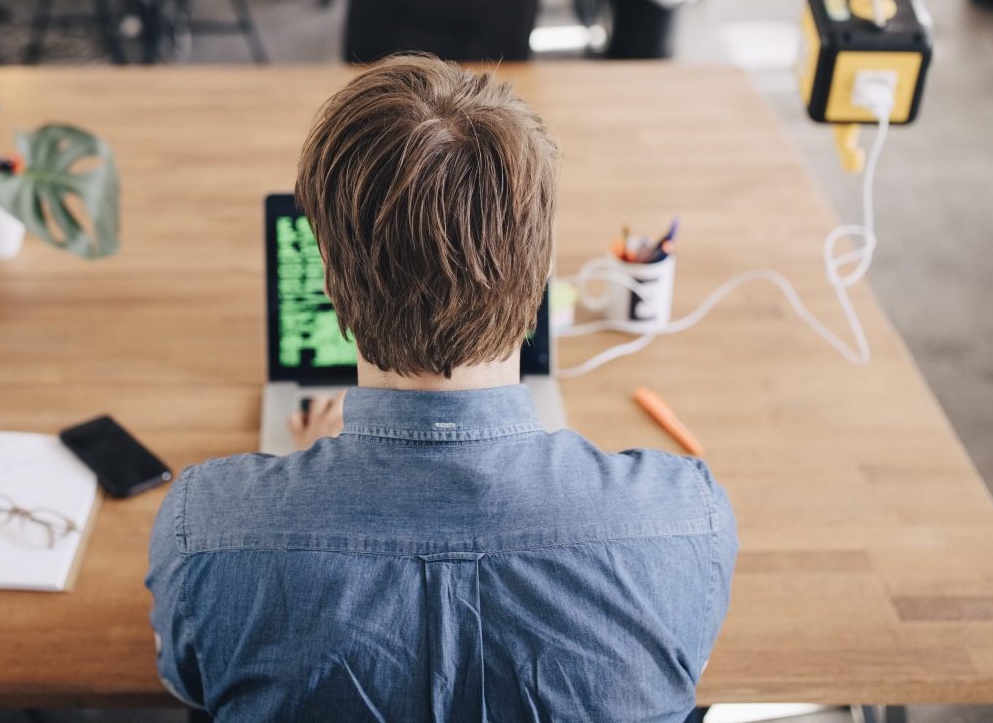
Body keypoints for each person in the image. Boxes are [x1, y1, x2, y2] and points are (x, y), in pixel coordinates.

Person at [147, 54, 737, 722]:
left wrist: (296, 483)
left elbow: (190, 683)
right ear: (538, 267)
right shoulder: (685, 520)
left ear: (332, 281)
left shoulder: (209, 529)